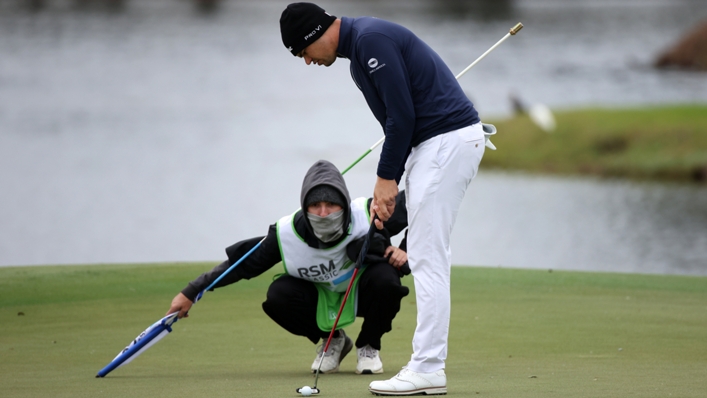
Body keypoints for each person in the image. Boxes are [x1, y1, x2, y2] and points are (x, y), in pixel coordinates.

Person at [279, 3, 492, 395]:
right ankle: (428, 366)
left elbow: (402, 116)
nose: (306, 61)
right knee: (430, 256)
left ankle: (428, 367)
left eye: (302, 52)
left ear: (313, 35)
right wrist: (391, 185)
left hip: (445, 142)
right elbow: (403, 121)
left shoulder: (370, 40)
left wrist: (385, 179)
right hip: (434, 147)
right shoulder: (359, 50)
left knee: (427, 257)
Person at [166, 160, 411, 375]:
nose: (323, 213)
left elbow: (421, 206)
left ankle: (368, 346)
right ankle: (333, 340)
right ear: (305, 207)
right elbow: (241, 266)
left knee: (387, 279)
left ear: (344, 205)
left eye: (331, 205)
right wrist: (191, 292)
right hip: (318, 298)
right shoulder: (285, 233)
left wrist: (406, 249)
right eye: (315, 206)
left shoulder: (370, 212)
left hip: (363, 292)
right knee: (278, 296)